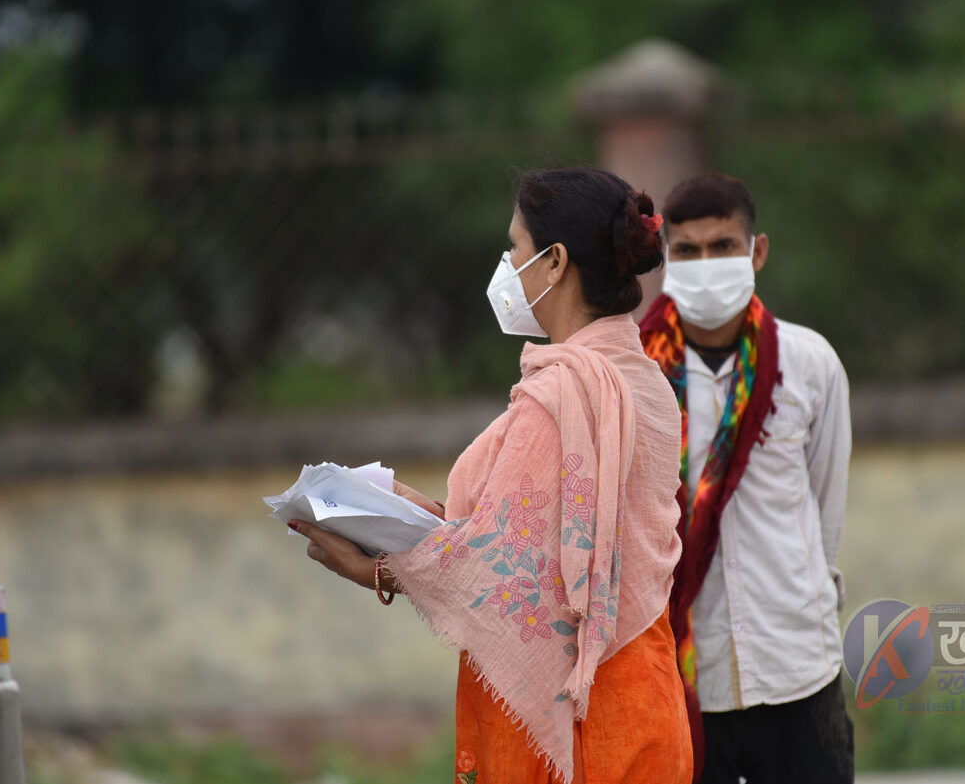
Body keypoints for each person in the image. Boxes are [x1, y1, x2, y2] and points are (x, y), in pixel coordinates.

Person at [289, 167, 693, 784]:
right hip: (645, 696)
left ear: (554, 263)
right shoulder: (647, 384)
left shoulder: (560, 395)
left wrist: (378, 567)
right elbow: (532, 543)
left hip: (572, 722)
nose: (507, 263)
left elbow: (501, 576)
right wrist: (420, 516)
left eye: (516, 248)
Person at [639, 172, 854, 784]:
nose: (706, 263)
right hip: (683, 682)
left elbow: (825, 505)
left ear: (757, 251)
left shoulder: (809, 364)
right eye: (687, 250)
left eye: (723, 247)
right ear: (665, 259)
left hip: (798, 668)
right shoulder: (634, 378)